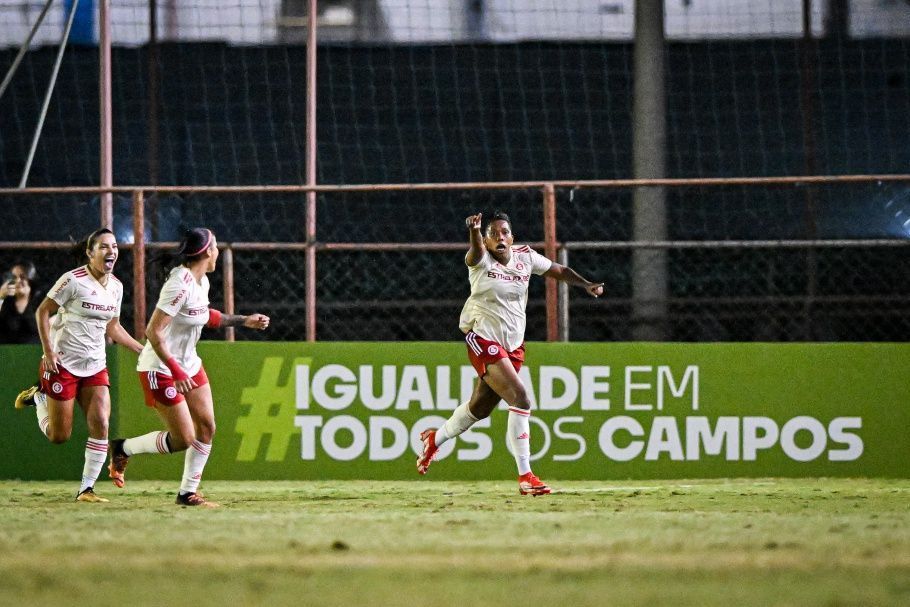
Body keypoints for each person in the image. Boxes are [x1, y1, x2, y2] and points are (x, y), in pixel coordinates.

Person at [416, 211, 603, 495]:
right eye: (493, 234)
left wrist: (586, 283)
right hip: (482, 338)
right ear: (487, 241)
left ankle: (434, 440)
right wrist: (475, 232)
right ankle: (526, 476)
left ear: (512, 238)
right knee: (521, 398)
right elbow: (475, 250)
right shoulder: (479, 261)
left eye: (504, 232)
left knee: (479, 408)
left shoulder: (525, 257)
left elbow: (559, 271)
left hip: (513, 346)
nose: (499, 237)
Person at [107, 227, 269, 508]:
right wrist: (175, 370)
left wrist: (244, 320)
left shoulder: (201, 281)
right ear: (208, 252)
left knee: (207, 427)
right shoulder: (178, 284)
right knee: (183, 438)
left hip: (189, 364)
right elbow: (153, 332)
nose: (217, 251)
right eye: (216, 247)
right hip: (160, 367)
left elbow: (204, 316)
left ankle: (187, 493)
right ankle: (123, 448)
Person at [14, 229, 144, 502]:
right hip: (63, 364)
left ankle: (86, 489)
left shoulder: (117, 287)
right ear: (90, 252)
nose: (111, 251)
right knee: (59, 435)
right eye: (104, 247)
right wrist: (48, 351)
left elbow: (113, 326)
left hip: (95, 365)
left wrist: (139, 350)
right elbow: (42, 311)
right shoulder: (73, 280)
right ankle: (39, 398)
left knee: (101, 424)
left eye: (114, 246)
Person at [0, 261, 41, 344]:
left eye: (22, 277)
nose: (18, 280)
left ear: (30, 279)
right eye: (14, 277)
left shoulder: (39, 302)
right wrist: (0, 295)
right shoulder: (5, 302)